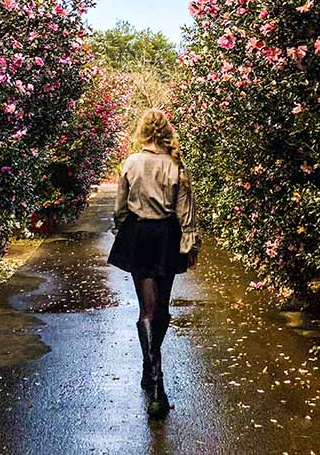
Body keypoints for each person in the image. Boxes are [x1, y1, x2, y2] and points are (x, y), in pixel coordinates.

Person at [107, 109, 201, 419]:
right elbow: (186, 214)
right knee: (161, 309)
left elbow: (120, 209)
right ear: (166, 132)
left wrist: (124, 230)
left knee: (146, 309)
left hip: (140, 234)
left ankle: (152, 374)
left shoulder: (131, 163)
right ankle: (156, 380)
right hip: (166, 236)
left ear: (143, 131)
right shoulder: (176, 166)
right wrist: (190, 247)